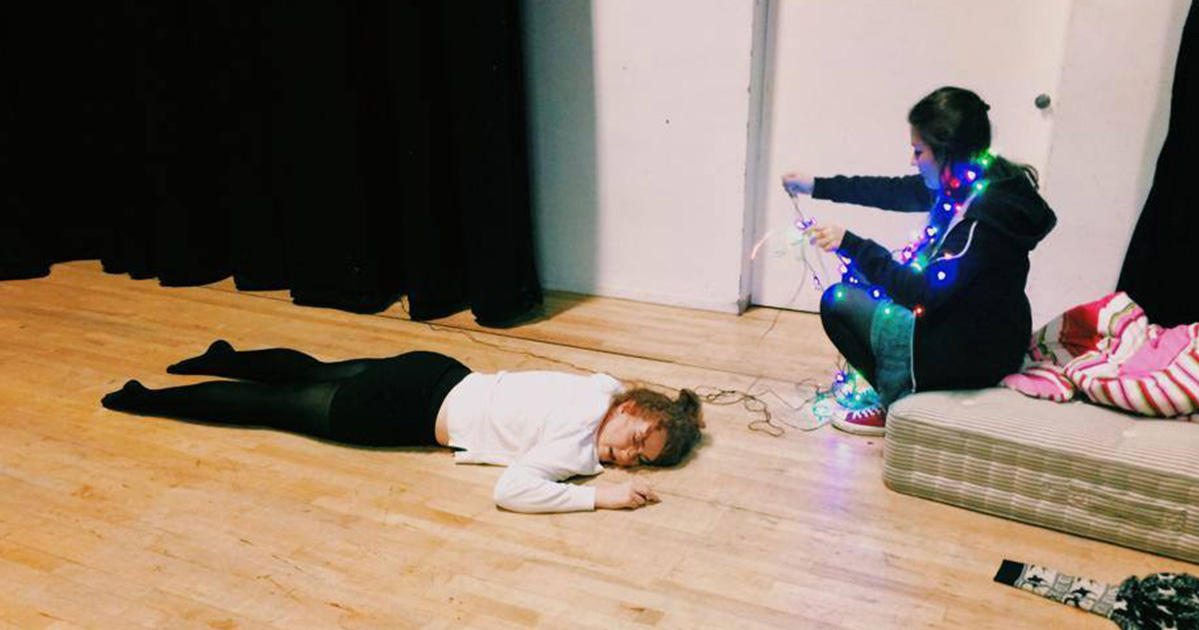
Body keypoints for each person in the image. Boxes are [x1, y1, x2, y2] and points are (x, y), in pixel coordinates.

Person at [100, 340, 704, 513]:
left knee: (313, 371)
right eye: (635, 441)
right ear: (631, 411)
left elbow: (614, 384)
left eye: (641, 460)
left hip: (435, 369)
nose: (627, 457)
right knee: (271, 407)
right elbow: (511, 491)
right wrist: (600, 497)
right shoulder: (575, 450)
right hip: (402, 413)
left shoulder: (600, 389)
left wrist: (672, 414)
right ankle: (144, 400)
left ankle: (225, 357)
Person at [782, 86, 1056, 436]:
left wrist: (852, 244)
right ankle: (904, 382)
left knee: (838, 301)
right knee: (862, 278)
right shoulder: (968, 181)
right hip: (979, 328)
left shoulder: (983, 218)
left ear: (947, 151)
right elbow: (891, 191)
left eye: (918, 151)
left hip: (975, 351)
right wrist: (815, 185)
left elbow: (922, 293)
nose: (913, 161)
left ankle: (899, 401)